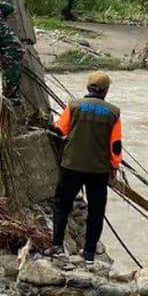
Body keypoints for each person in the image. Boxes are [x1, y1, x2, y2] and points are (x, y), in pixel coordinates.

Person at [49, 70, 122, 262]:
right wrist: (114, 166)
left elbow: (59, 130)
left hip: (72, 165)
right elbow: (115, 145)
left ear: (88, 87)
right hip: (99, 169)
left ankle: (57, 246)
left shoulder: (74, 106)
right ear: (105, 90)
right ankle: (89, 252)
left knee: (61, 205)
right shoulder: (113, 112)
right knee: (96, 211)